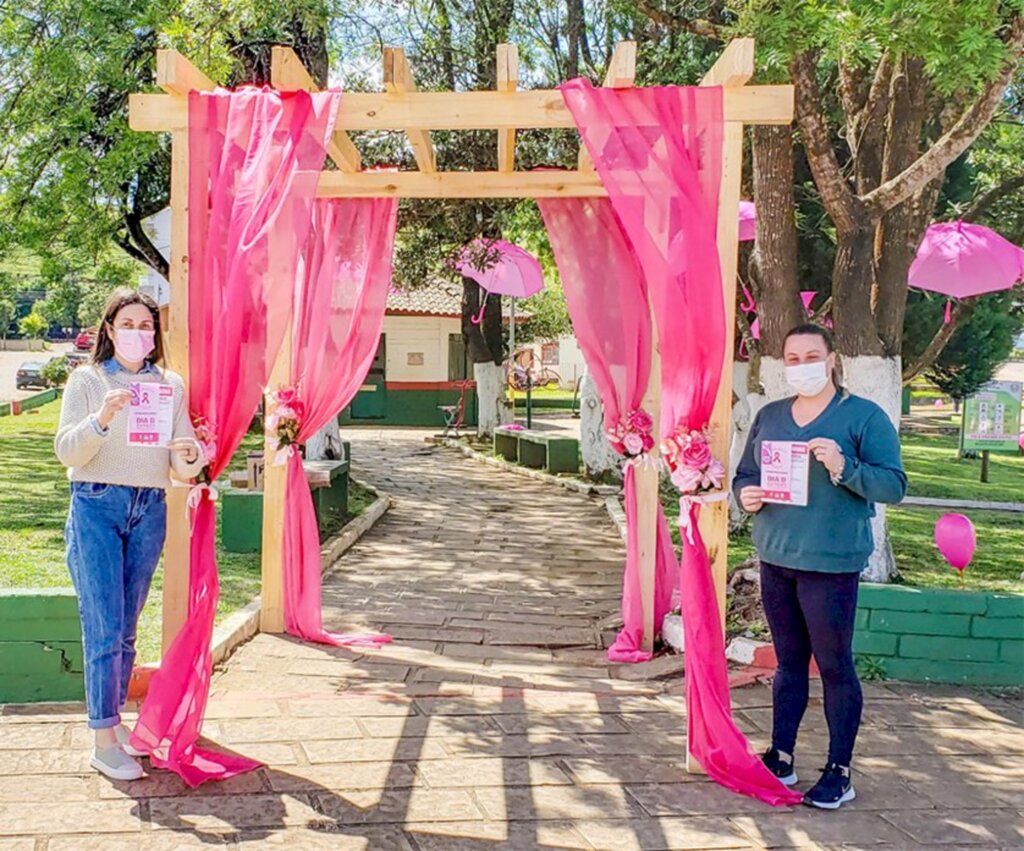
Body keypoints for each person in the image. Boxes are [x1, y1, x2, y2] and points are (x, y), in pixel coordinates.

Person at [732, 323, 907, 810]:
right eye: (792, 358)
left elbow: (893, 485)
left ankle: (839, 770)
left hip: (830, 563)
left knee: (833, 665)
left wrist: (844, 466)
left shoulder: (862, 418)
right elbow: (747, 474)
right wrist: (744, 495)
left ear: (831, 359)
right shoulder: (770, 417)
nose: (802, 365)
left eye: (812, 355)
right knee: (788, 664)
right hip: (777, 556)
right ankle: (781, 756)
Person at [55, 289, 203, 781]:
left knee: (127, 625)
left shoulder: (170, 385)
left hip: (150, 506)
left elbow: (185, 455)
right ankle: (101, 738)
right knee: (102, 623)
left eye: (147, 325)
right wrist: (102, 419)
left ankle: (114, 722)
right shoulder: (88, 380)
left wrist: (190, 453)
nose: (139, 333)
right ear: (110, 330)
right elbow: (67, 453)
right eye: (129, 324)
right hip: (96, 504)